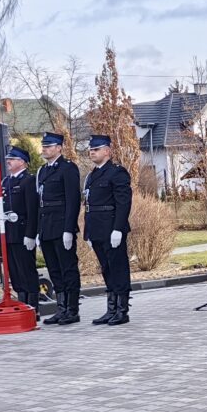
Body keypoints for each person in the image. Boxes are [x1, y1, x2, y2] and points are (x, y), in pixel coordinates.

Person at [83, 135, 133, 325]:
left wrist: (118, 229)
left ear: (107, 151)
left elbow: (123, 203)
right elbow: (88, 206)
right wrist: (88, 232)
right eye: (91, 149)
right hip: (96, 229)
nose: (92, 152)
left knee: (118, 268)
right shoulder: (92, 175)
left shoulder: (117, 173)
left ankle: (122, 310)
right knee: (106, 268)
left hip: (111, 228)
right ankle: (111, 309)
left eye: (96, 149)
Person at [37, 132, 82, 325]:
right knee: (54, 270)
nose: (44, 149)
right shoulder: (42, 171)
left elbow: (72, 201)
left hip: (61, 226)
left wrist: (68, 229)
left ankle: (72, 310)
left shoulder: (68, 168)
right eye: (43, 146)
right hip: (46, 228)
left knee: (68, 269)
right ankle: (61, 308)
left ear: (59, 148)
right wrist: (38, 231)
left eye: (48, 146)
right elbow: (40, 203)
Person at [2, 147, 40, 319]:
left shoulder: (28, 181)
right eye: (8, 159)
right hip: (9, 234)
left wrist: (31, 234)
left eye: (12, 159)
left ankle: (32, 308)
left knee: (26, 270)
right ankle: (22, 305)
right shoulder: (6, 182)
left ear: (22, 162)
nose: (8, 161)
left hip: (22, 233)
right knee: (15, 272)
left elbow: (32, 210)